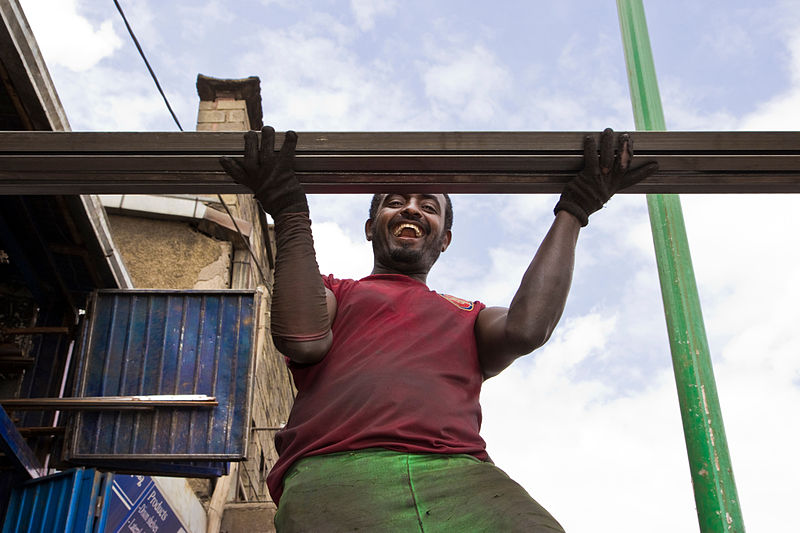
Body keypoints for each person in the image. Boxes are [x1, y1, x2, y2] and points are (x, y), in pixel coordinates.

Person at [220, 127, 657, 532]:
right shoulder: (336, 292)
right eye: (395, 201)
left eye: (429, 206)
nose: (412, 207)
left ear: (444, 238)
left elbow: (527, 329)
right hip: (337, 470)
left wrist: (575, 208)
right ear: (371, 229)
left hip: (461, 475)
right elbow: (303, 338)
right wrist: (289, 207)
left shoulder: (470, 314)